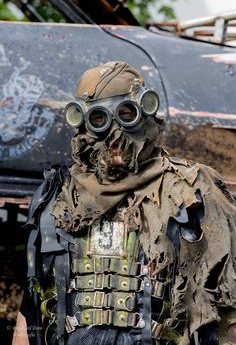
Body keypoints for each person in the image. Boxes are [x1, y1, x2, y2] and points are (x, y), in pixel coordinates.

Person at [14, 61, 236, 345]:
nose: (116, 136)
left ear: (145, 114)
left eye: (127, 115)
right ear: (82, 124)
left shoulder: (190, 190)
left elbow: (229, 309)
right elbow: (31, 309)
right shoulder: (58, 198)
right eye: (99, 121)